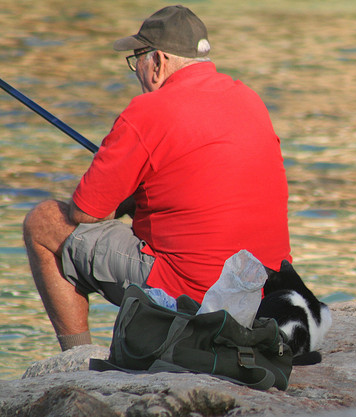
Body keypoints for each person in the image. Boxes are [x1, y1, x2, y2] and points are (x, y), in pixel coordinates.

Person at [22, 5, 292, 351]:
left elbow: (84, 214)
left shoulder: (147, 111)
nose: (138, 70)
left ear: (159, 61)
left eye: (138, 59)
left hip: (194, 291)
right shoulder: (249, 99)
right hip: (263, 290)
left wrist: (123, 197)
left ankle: (76, 360)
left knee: (43, 222)